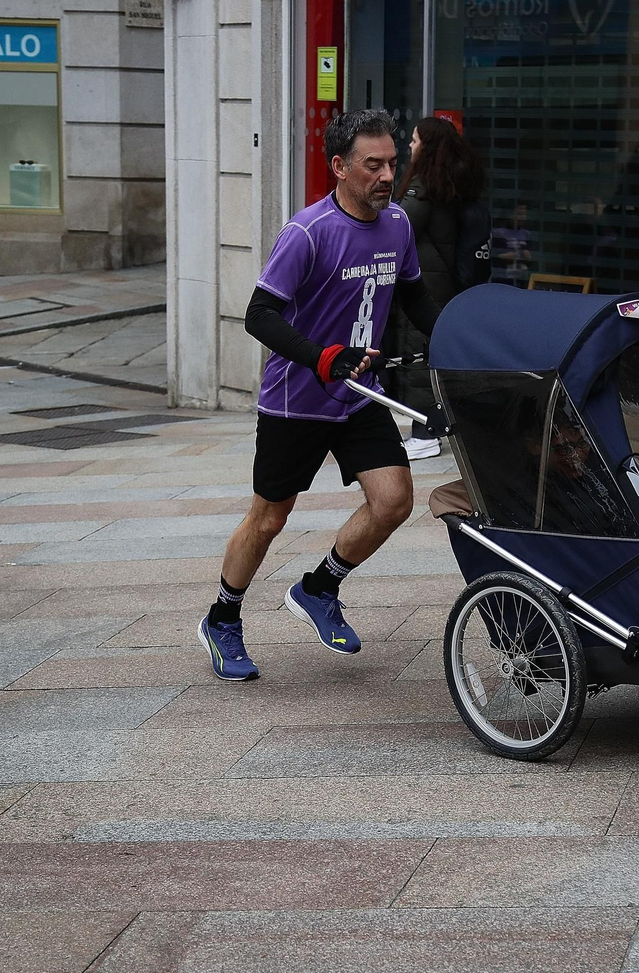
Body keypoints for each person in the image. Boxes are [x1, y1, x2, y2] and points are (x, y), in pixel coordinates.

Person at [199, 109, 440, 682]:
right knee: (269, 518)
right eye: (372, 165)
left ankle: (319, 587)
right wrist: (321, 356)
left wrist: (464, 338)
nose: (387, 175)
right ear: (339, 167)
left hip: (358, 395)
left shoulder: (399, 224)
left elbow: (414, 299)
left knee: (394, 500)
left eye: (392, 163)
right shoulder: (307, 232)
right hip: (296, 399)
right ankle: (222, 617)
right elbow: (259, 315)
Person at [386, 116, 485, 460]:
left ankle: (424, 432)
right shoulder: (454, 182)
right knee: (430, 354)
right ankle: (432, 425)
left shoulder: (424, 186)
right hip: (447, 285)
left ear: (427, 147)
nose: (409, 146)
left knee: (419, 355)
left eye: (414, 141)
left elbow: (399, 224)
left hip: (428, 286)